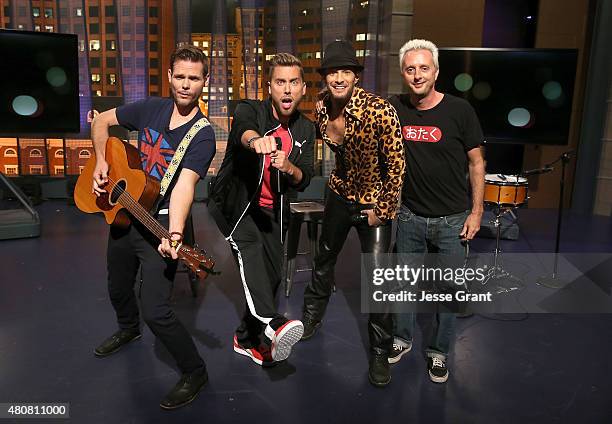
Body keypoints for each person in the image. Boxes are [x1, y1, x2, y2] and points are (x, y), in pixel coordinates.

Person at [90, 45, 216, 409]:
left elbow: (185, 187)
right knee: (117, 286)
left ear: (204, 82)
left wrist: (175, 234)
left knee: (157, 312)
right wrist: (101, 161)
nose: (186, 85)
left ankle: (195, 371)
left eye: (195, 78)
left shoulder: (203, 135)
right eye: (180, 76)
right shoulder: (149, 108)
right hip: (123, 214)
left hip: (158, 223)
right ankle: (128, 330)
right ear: (169, 76)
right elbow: (101, 122)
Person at [300, 40, 406, 387]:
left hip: (374, 203)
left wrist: (383, 211)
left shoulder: (380, 110)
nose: (339, 78)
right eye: (333, 72)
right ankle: (311, 318)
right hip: (339, 194)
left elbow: (397, 165)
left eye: (346, 71)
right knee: (324, 258)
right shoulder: (324, 110)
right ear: (326, 78)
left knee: (378, 280)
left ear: (356, 77)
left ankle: (379, 352)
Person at [387, 39, 485, 383]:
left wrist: (477, 213)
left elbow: (476, 163)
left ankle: (439, 353)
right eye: (410, 69)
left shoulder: (460, 110)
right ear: (403, 73)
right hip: (410, 216)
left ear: (436, 71)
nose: (417, 75)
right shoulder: (394, 107)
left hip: (453, 221)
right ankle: (401, 339)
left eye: (424, 68)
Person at [208, 53, 315, 366]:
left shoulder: (306, 130)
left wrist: (289, 166)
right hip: (238, 205)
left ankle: (245, 338)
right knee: (250, 253)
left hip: (275, 212)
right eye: (280, 82)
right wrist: (256, 141)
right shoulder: (250, 109)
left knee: (269, 279)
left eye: (293, 82)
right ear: (269, 87)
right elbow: (244, 129)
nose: (286, 89)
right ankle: (275, 323)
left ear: (302, 88)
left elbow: (304, 177)